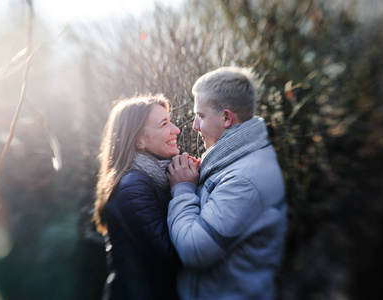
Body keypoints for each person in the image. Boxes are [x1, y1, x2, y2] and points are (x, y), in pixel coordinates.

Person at [167, 67, 287, 300]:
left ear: (226, 118)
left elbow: (194, 250)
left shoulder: (243, 180)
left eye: (200, 116)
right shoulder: (237, 157)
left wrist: (182, 189)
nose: (194, 126)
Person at [94, 95, 181, 300]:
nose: (176, 129)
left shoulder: (158, 176)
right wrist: (184, 188)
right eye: (164, 124)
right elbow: (172, 256)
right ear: (139, 140)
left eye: (171, 121)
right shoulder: (132, 186)